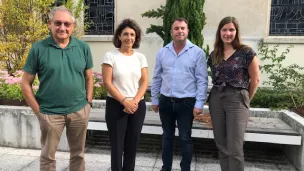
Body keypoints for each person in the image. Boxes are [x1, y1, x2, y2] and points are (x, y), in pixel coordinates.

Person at [20, 6, 93, 171]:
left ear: (73, 26)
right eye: (58, 23)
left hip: (79, 111)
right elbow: (25, 83)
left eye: (67, 24)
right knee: (48, 157)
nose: (62, 27)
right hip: (50, 113)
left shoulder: (83, 48)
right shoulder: (38, 49)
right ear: (49, 24)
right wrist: (39, 113)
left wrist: (88, 103)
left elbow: (89, 77)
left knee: (78, 154)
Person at [151, 18, 208, 171]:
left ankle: (185, 169)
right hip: (166, 102)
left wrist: (199, 103)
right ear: (171, 32)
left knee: (185, 138)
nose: (180, 31)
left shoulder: (197, 53)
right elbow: (156, 77)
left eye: (183, 28)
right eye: (176, 28)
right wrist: (155, 99)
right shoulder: (163, 52)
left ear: (187, 31)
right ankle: (166, 168)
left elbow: (202, 80)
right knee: (167, 136)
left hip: (187, 103)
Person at [207, 16, 260, 171]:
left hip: (237, 98)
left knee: (235, 147)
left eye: (231, 29)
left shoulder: (246, 52)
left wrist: (244, 99)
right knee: (221, 144)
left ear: (236, 32)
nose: (228, 33)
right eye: (224, 30)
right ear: (219, 32)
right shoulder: (214, 54)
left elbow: (255, 80)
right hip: (217, 97)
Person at [102, 18, 148, 171]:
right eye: (126, 34)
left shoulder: (140, 57)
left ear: (136, 38)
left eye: (132, 35)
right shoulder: (110, 56)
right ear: (119, 36)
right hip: (116, 105)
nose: (129, 37)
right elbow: (107, 83)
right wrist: (124, 101)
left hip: (137, 107)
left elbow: (144, 82)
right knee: (117, 147)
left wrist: (134, 101)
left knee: (132, 146)